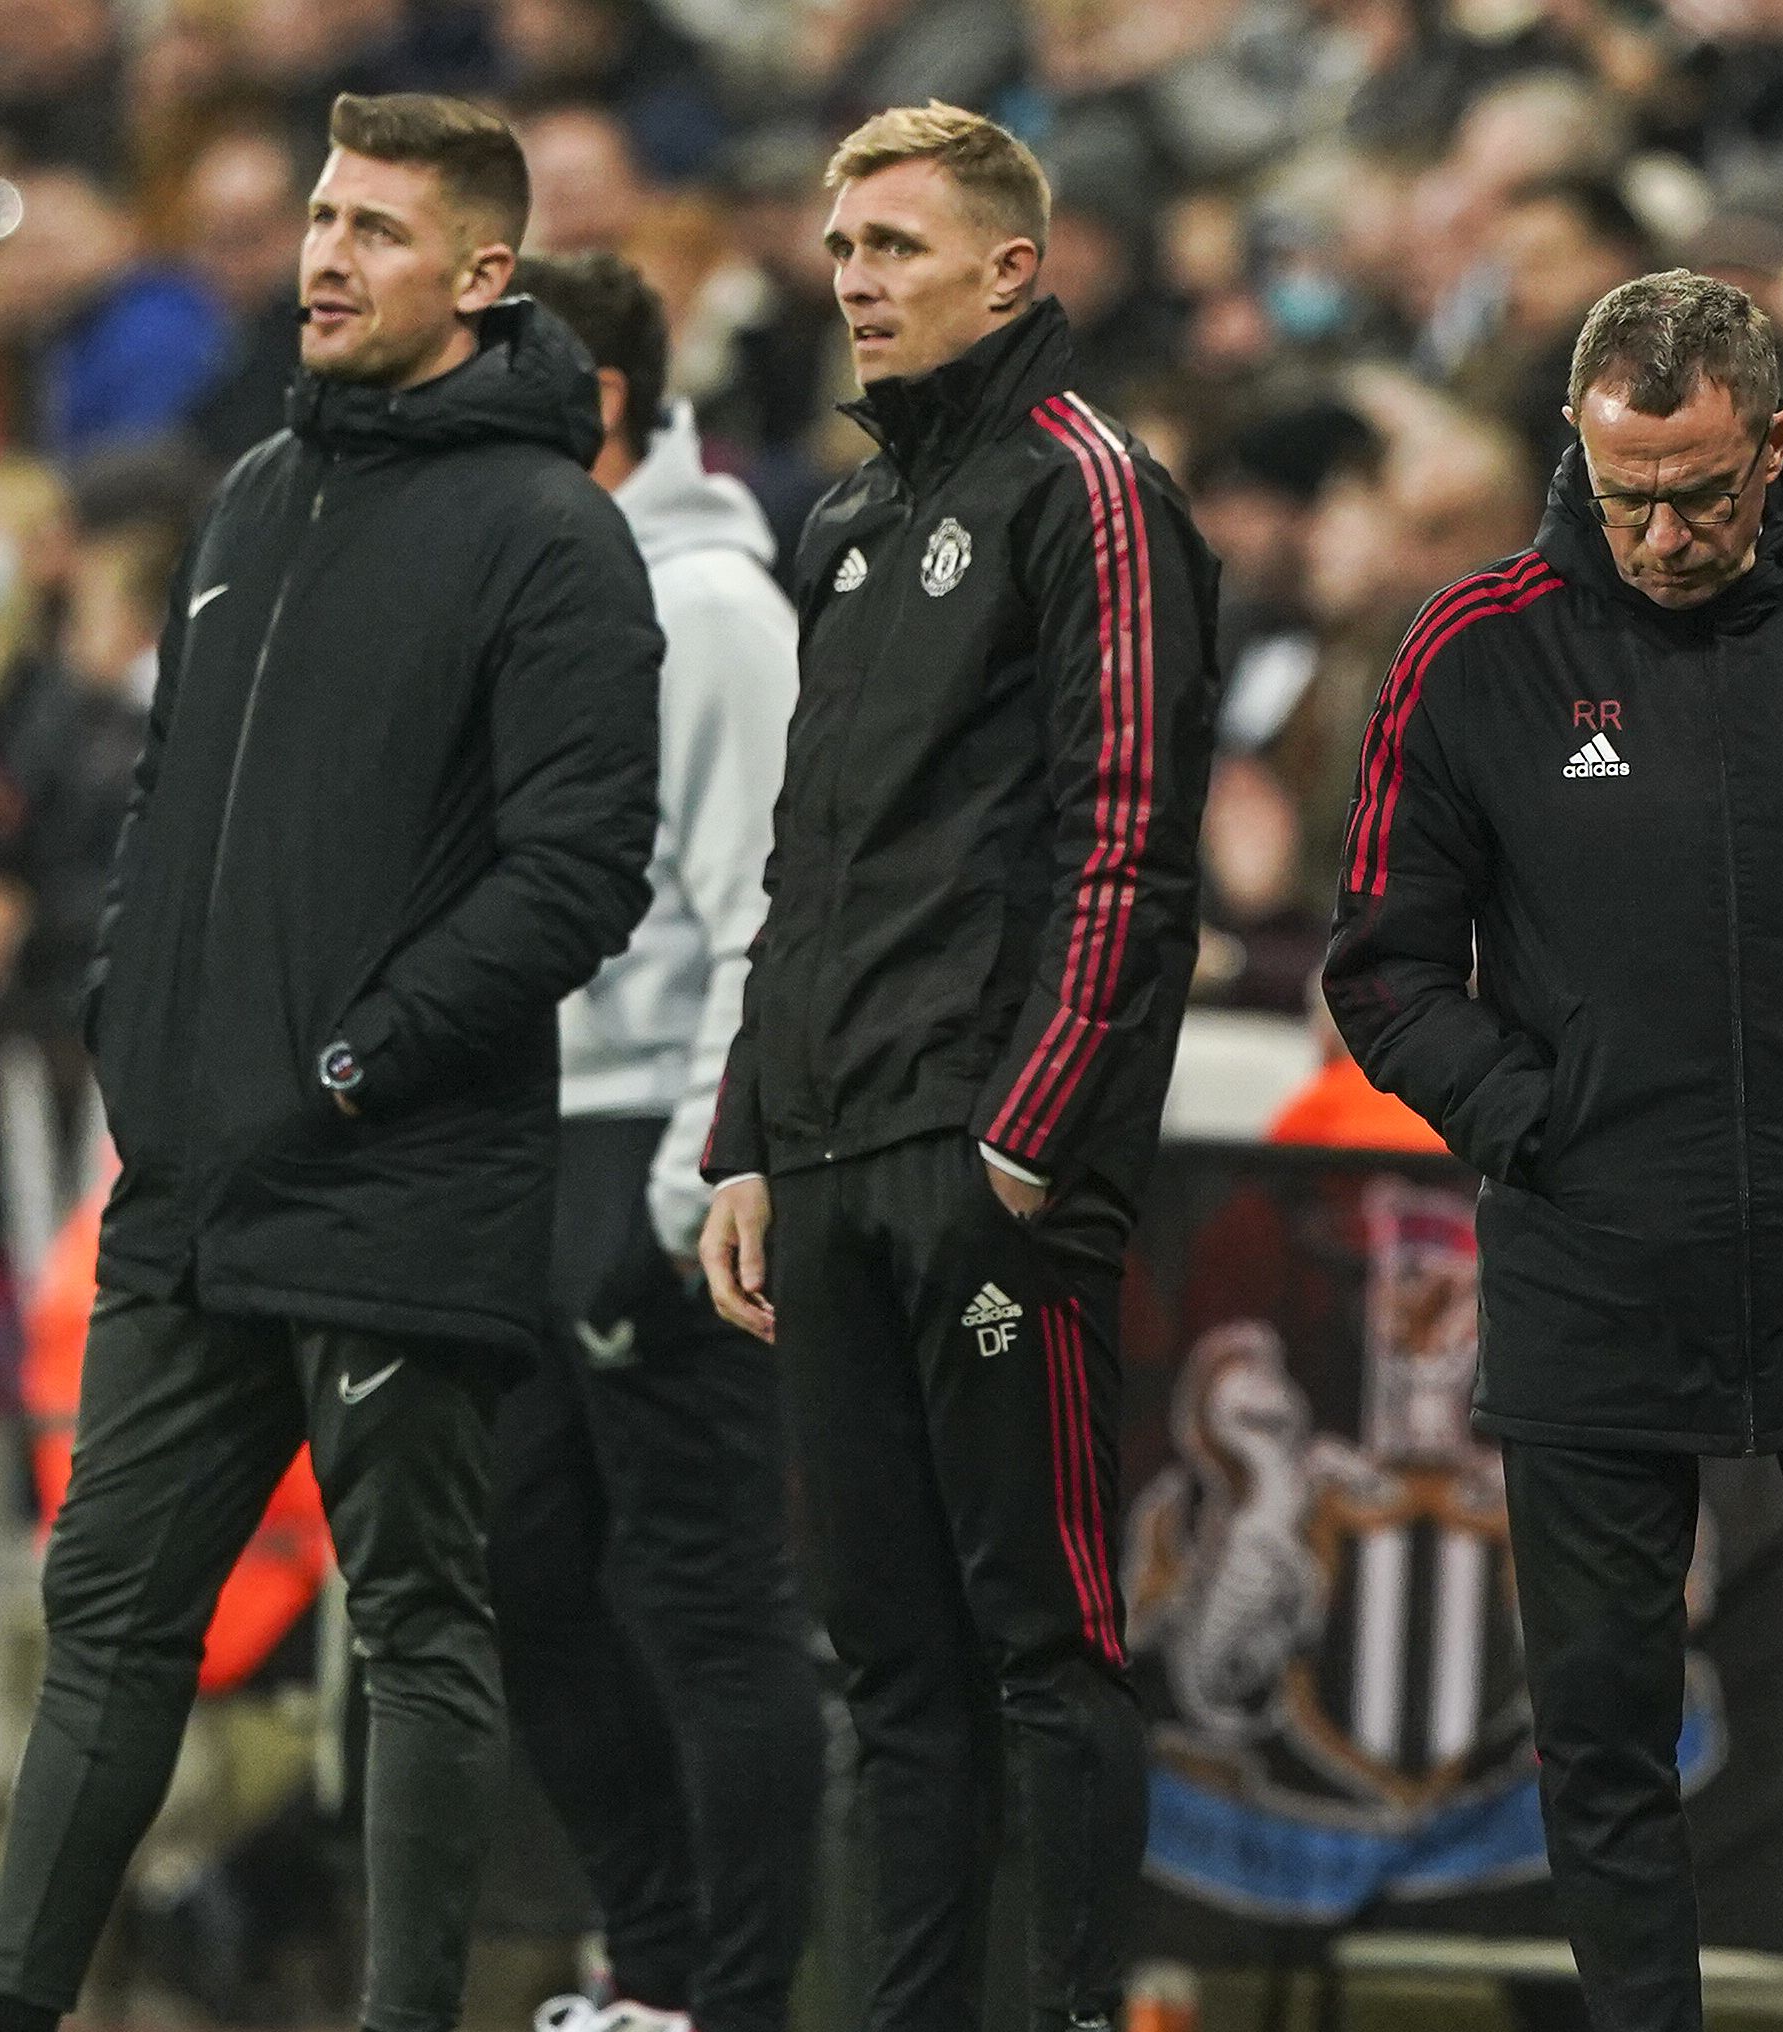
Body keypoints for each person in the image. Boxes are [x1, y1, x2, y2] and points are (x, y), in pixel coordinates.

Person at [0, 93, 663, 2032]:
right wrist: (132, 1018)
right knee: (107, 1614)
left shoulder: (551, 529)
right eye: (321, 219)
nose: (326, 255)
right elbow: (168, 792)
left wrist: (359, 1058)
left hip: (394, 1171)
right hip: (192, 1178)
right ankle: (4, 2003)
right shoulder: (256, 490)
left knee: (414, 1619)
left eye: (376, 230)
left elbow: (583, 866)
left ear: (483, 276)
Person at [1326, 271, 1783, 2032]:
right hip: (1594, 1260)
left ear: (1780, 445)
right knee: (1597, 1722)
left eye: (1702, 492)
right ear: (1574, 447)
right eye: (1623, 489)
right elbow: (1384, 963)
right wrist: (1529, 1121)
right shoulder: (1474, 648)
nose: (1660, 533)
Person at [694, 102, 1219, 2032]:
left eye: (895, 247)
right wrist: (749, 1136)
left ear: (1015, 267)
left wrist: (1028, 1135)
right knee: (888, 1665)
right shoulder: (848, 518)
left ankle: (1073, 2013)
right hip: (829, 1155)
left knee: (1047, 1643)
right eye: (842, 248)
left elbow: (1128, 832)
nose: (854, 280)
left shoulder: (1092, 490)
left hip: (985, 1165)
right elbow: (805, 859)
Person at [487, 250, 820, 2032]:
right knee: (527, 1569)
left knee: (702, 1588)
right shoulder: (548, 584)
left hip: (650, 1138)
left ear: (594, 400)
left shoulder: (707, 610)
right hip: (527, 1135)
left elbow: (765, 906)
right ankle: (656, 1963)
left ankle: (733, 1998)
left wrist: (693, 1171)